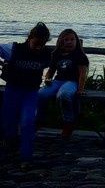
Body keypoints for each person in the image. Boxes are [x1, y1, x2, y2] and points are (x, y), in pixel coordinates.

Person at [0, 22, 52, 166]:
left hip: (31, 92)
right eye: (36, 43)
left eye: (42, 44)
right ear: (29, 38)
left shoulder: (47, 54)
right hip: (12, 90)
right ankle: (10, 146)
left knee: (28, 121)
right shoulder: (14, 49)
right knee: (8, 122)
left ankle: (26, 157)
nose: (38, 47)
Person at [38, 28, 89, 139]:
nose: (69, 42)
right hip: (58, 81)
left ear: (76, 41)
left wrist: (80, 89)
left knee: (63, 95)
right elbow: (51, 71)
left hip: (72, 82)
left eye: (72, 39)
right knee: (40, 94)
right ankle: (39, 119)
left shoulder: (80, 56)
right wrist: (47, 80)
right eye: (66, 40)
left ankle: (68, 122)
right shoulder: (56, 54)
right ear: (61, 42)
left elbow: (83, 74)